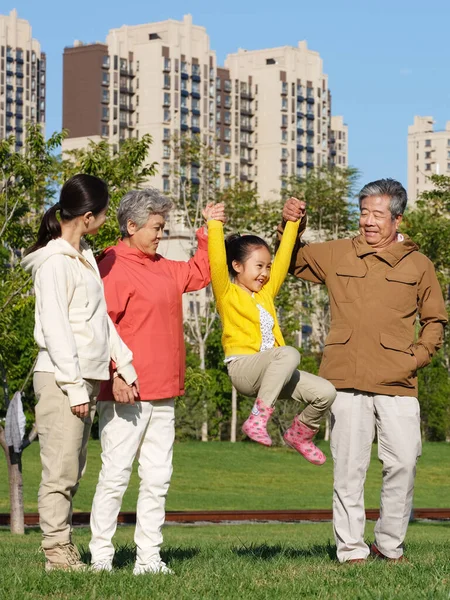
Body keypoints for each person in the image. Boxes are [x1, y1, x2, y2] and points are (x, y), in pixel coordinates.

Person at [279, 178, 448, 563]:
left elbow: (436, 319)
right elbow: (290, 260)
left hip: (399, 382)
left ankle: (389, 545)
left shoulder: (419, 263)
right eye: (363, 213)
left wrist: (417, 357)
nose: (368, 221)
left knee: (404, 463)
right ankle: (351, 550)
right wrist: (292, 226)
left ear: (397, 218)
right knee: (348, 470)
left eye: (377, 214)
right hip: (345, 378)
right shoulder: (337, 253)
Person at [89, 189, 220, 575]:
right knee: (115, 476)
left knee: (158, 478)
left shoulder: (164, 266)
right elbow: (101, 326)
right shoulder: (111, 264)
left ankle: (149, 558)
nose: (161, 233)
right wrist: (115, 375)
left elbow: (201, 272)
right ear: (131, 226)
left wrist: (209, 231)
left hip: (163, 392)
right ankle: (100, 558)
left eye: (163, 226)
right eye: (156, 227)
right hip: (125, 391)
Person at [22, 174, 139, 572]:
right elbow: (56, 328)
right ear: (88, 216)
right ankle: (56, 554)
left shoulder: (83, 256)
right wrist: (74, 388)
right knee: (60, 470)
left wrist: (123, 364)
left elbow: (99, 321)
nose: (106, 221)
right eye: (104, 214)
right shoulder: (55, 263)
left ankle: (63, 547)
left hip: (83, 377)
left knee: (74, 468)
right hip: (60, 378)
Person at [207, 204, 336, 465]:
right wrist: (214, 224)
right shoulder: (226, 293)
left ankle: (300, 434)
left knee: (326, 392)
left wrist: (292, 223)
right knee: (289, 353)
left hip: (274, 371)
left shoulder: (265, 293)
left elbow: (284, 257)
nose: (265, 274)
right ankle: (258, 416)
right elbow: (217, 263)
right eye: (258, 267)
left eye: (267, 267)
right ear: (237, 266)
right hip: (244, 369)